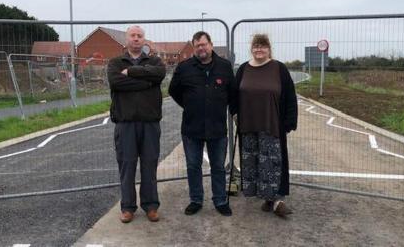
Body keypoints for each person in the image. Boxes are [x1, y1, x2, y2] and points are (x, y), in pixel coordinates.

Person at [169, 31, 236, 216]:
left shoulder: (224, 66)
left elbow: (232, 93)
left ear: (211, 45)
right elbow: (173, 90)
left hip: (217, 127)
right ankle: (196, 200)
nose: (201, 48)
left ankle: (220, 200)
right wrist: (190, 105)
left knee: (218, 166)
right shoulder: (184, 67)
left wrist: (232, 110)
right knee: (193, 166)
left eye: (204, 44)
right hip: (192, 127)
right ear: (194, 47)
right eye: (197, 45)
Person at [235, 34, 297, 217]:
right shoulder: (243, 69)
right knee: (252, 162)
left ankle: (276, 199)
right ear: (251, 48)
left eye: (262, 46)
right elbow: (234, 94)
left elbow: (290, 97)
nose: (259, 49)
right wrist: (234, 113)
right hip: (248, 126)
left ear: (269, 49)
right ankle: (264, 198)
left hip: (272, 125)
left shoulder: (279, 69)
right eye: (256, 46)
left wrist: (289, 122)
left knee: (273, 163)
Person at [107, 25, 166, 223]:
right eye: (132, 35)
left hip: (150, 123)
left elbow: (159, 74)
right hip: (126, 124)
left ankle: (151, 206)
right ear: (126, 40)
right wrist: (147, 82)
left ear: (144, 40)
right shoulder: (115, 63)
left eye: (139, 36)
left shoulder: (155, 61)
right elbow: (116, 83)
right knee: (127, 166)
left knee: (149, 165)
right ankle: (128, 207)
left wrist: (131, 72)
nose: (136, 38)